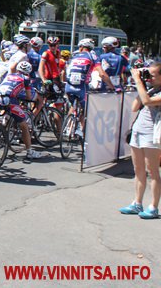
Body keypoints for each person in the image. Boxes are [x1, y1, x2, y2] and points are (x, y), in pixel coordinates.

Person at [118, 62, 161, 219]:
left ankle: (154, 207)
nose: (149, 78)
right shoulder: (149, 89)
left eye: (152, 75)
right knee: (138, 170)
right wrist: (142, 84)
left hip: (152, 135)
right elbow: (135, 106)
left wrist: (138, 81)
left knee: (153, 171)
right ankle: (137, 203)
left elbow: (149, 102)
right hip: (138, 131)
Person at [65, 39, 115, 135]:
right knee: (87, 109)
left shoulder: (74, 56)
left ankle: (68, 127)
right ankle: (82, 132)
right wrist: (112, 86)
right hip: (82, 88)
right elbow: (102, 74)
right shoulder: (92, 56)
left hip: (68, 87)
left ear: (82, 47)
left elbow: (67, 71)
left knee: (73, 106)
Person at [0, 61, 43, 159]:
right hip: (10, 100)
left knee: (2, 115)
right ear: (28, 72)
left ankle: (2, 130)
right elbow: (29, 96)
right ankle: (29, 151)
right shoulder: (26, 78)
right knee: (24, 126)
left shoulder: (10, 75)